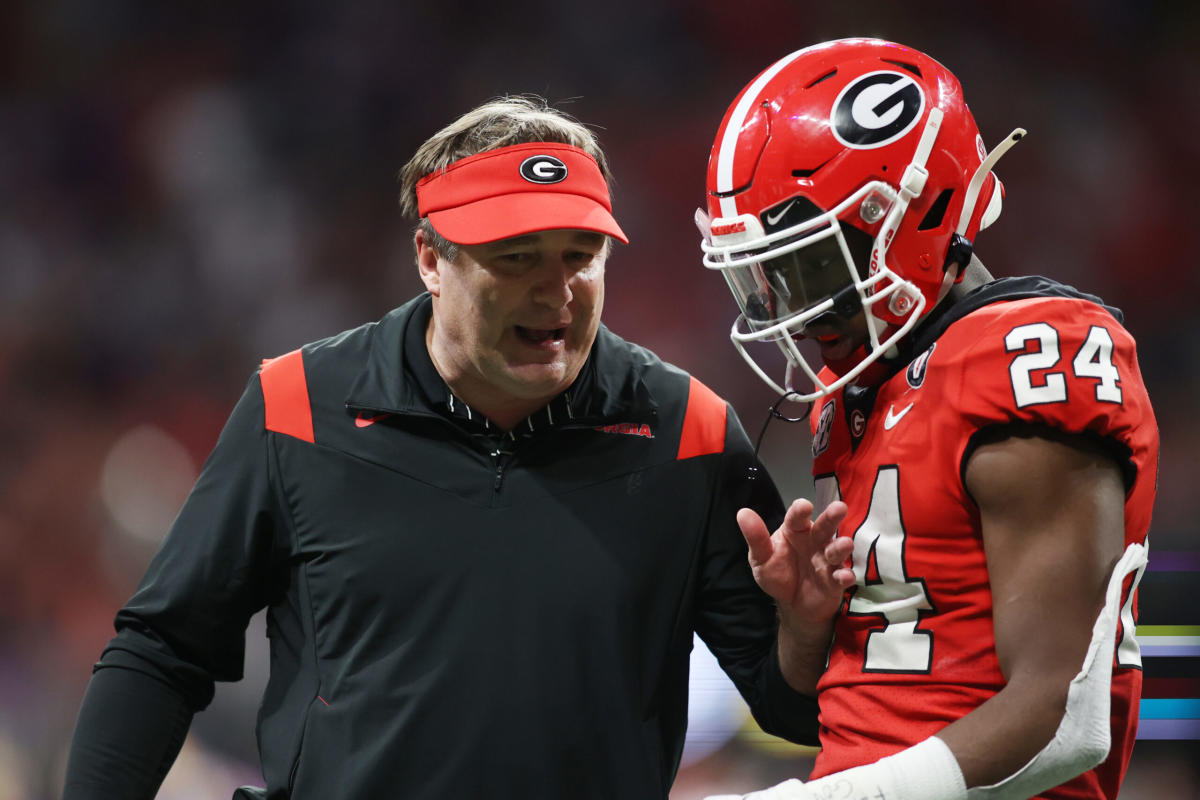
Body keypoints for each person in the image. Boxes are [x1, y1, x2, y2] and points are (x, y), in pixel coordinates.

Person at [61, 96, 853, 800]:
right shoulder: (297, 407)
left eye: (582, 255)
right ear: (431, 260)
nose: (558, 290)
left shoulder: (692, 432)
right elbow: (162, 651)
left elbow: (788, 706)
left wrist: (808, 630)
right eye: (517, 259)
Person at [695, 39, 1158, 800]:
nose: (788, 310)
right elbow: (865, 702)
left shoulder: (1027, 353)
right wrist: (810, 626)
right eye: (765, 275)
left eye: (806, 264)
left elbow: (1068, 713)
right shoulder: (862, 389)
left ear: (910, 211)